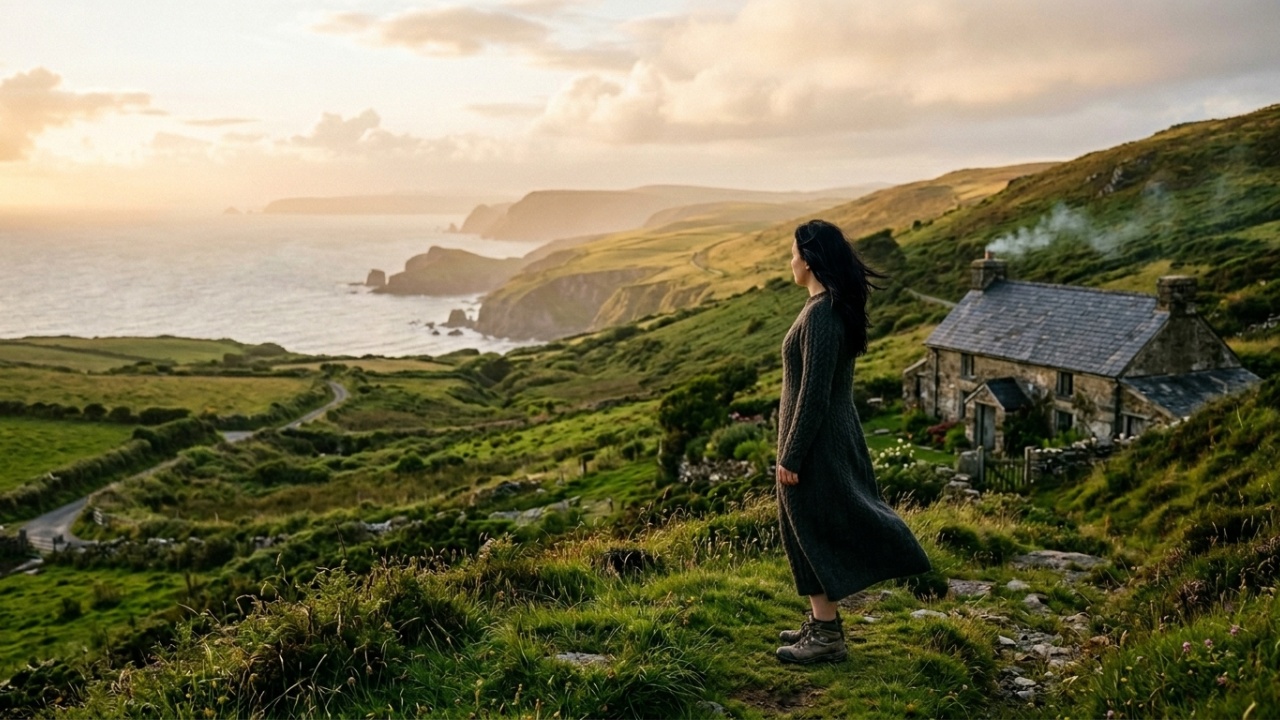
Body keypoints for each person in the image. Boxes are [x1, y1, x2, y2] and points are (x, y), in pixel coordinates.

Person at [773, 219, 932, 664]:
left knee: (815, 531)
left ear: (808, 259)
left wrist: (792, 453)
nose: (790, 261)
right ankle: (820, 622)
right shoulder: (820, 310)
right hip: (816, 442)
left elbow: (814, 393)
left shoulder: (822, 314)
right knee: (801, 531)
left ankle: (826, 637)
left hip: (817, 446)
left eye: (792, 253)